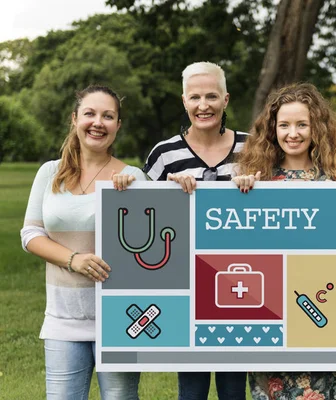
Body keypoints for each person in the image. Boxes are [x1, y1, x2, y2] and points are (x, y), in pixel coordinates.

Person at [113, 61, 249, 400]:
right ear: (184, 101)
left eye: (212, 96)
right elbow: (145, 215)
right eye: (195, 97)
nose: (203, 105)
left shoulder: (253, 148)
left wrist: (255, 182)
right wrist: (138, 185)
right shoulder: (164, 154)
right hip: (187, 286)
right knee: (191, 387)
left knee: (234, 387)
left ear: (226, 100)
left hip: (241, 282)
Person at [233, 82, 336, 399]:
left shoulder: (335, 183)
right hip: (273, 316)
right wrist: (238, 196)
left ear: (315, 129)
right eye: (284, 125)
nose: (292, 133)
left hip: (324, 315)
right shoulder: (257, 183)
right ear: (272, 130)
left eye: (301, 125)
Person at [20, 85, 143, 399]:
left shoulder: (133, 178)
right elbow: (31, 234)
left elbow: (147, 249)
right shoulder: (50, 173)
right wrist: (73, 258)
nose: (98, 122)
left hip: (119, 320)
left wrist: (133, 196)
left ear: (118, 125)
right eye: (90, 114)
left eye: (108, 116)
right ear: (75, 119)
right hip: (62, 319)